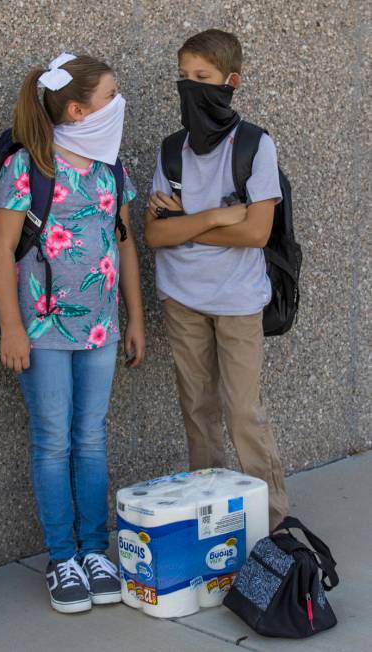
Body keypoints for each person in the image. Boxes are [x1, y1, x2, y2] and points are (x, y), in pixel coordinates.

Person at [0, 52, 145, 614]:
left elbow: (124, 242)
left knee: (91, 438)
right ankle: (63, 558)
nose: (119, 104)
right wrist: (11, 326)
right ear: (78, 110)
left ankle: (94, 551)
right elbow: (1, 248)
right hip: (41, 331)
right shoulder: (27, 167)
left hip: (100, 329)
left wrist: (135, 318)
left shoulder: (113, 167)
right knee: (52, 441)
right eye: (110, 96)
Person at [144, 29, 288, 531]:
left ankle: (271, 523)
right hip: (181, 299)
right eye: (183, 78)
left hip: (237, 300)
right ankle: (213, 515)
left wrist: (189, 220)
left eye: (201, 78)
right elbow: (155, 237)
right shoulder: (170, 151)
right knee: (198, 411)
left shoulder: (254, 145)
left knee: (244, 411)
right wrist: (216, 217)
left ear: (230, 83)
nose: (190, 87)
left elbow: (256, 232)